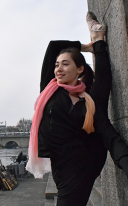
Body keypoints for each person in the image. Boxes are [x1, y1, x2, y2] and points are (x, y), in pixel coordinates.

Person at [26, 12, 128, 206]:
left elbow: (109, 134)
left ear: (80, 69)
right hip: (62, 166)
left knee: (102, 89)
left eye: (65, 64)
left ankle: (100, 40)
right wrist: (88, 46)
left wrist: (98, 44)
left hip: (86, 161)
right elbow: (53, 46)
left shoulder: (89, 100)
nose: (58, 69)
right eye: (56, 65)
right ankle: (98, 39)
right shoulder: (50, 89)